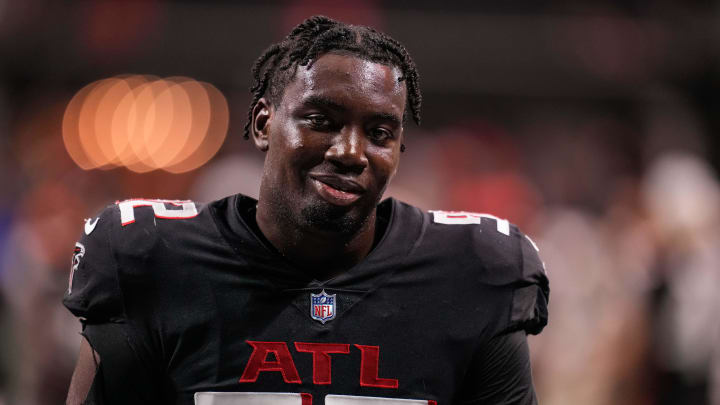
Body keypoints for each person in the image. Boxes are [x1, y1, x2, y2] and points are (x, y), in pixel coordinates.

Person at [64, 15, 549, 405]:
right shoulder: (151, 257)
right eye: (321, 121)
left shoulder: (475, 271)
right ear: (262, 124)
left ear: (399, 150)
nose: (351, 151)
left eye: (380, 133)